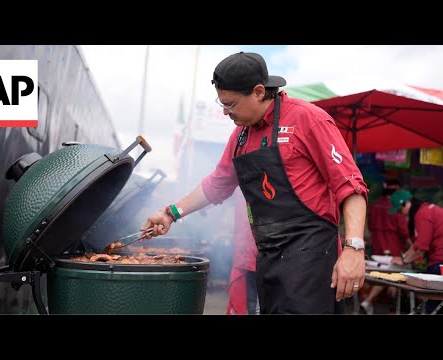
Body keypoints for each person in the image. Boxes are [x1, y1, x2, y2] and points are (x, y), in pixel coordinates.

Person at [141, 51, 368, 314]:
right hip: (268, 258)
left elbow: (351, 187)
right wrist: (170, 213)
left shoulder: (308, 119)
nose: (225, 112)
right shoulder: (241, 135)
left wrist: (354, 248)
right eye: (222, 103)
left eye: (232, 104)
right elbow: (218, 183)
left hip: (312, 259)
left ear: (259, 92)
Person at [389, 189, 443, 314]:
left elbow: (421, 248)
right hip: (438, 260)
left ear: (407, 203)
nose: (401, 214)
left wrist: (403, 261)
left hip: (439, 262)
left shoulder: (422, 214)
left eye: (399, 210)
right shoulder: (428, 210)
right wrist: (404, 258)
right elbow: (417, 246)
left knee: (431, 308)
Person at [360, 179, 409, 315]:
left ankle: (372, 304)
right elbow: (405, 232)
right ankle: (389, 309)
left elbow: (370, 226)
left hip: (377, 249)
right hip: (394, 252)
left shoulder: (374, 207)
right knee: (394, 280)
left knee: (379, 278)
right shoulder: (396, 209)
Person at [226, 188, 259, 315]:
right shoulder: (243, 183)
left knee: (255, 302)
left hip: (256, 252)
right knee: (251, 301)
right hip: (247, 251)